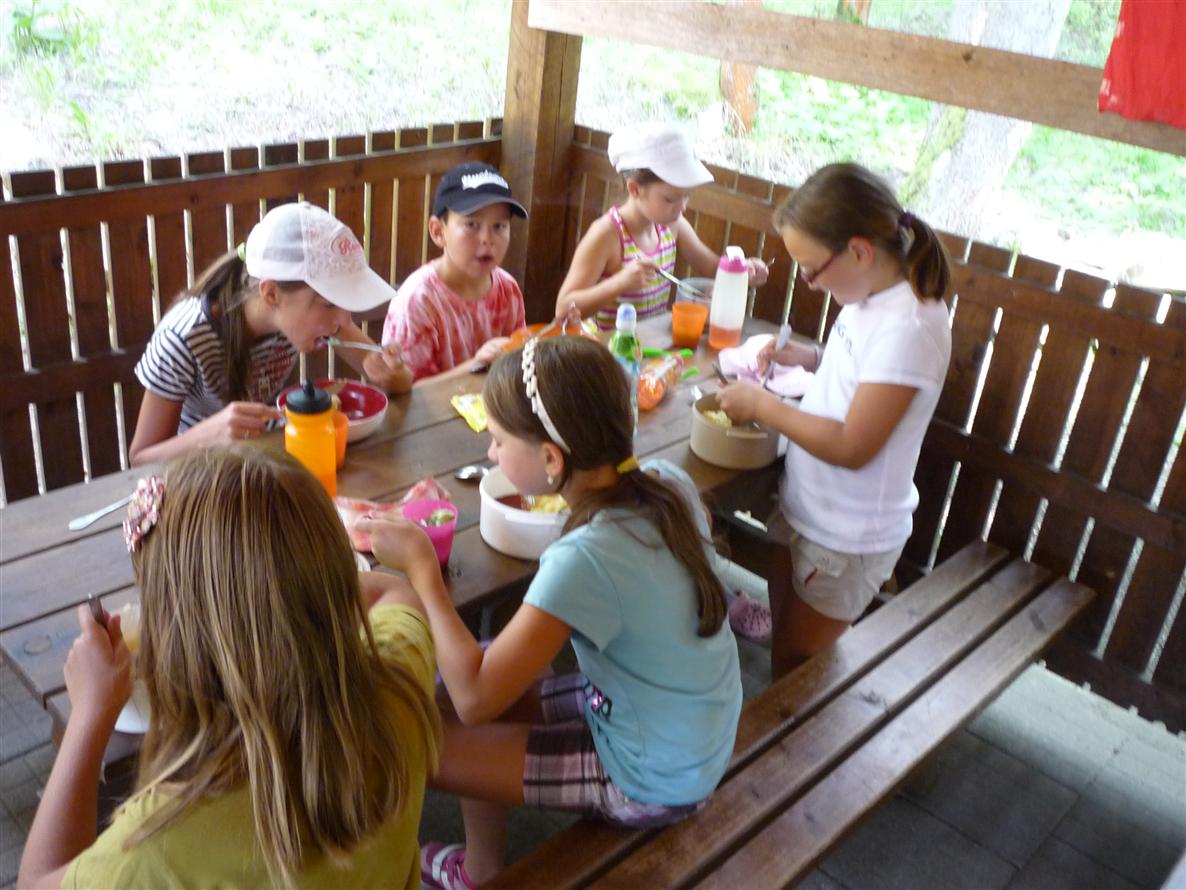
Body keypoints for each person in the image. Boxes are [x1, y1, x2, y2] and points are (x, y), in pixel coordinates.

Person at [357, 335, 743, 889]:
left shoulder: (586, 557)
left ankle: (471, 874)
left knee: (412, 734)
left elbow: (474, 700)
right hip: (686, 727)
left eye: (497, 440)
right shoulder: (668, 484)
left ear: (550, 459)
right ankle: (481, 868)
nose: (492, 454)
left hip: (653, 775)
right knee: (477, 671)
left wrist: (422, 568)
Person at [17, 447, 441, 888]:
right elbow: (395, 594)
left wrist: (88, 715)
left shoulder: (158, 844)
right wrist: (306, 587)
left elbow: (35, 883)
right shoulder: (401, 683)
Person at [718, 162, 952, 679]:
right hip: (808, 507)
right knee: (786, 640)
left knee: (797, 670)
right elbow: (863, 375)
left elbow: (852, 445)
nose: (808, 283)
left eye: (811, 269)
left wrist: (763, 406)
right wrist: (809, 358)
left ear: (859, 251)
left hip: (844, 538)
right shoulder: (872, 293)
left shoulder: (911, 326)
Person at [128, 201, 411, 466]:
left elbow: (400, 383)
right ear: (271, 294)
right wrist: (210, 435)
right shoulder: (182, 338)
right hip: (205, 474)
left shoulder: (310, 318)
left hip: (269, 460)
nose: (344, 320)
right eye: (328, 303)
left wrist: (391, 374)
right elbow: (140, 459)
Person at [555, 122, 768, 330]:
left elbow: (713, 267)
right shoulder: (607, 235)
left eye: (687, 196)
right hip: (606, 349)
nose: (682, 207)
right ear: (635, 189)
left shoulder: (672, 226)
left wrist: (743, 271)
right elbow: (563, 309)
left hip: (650, 346)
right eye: (670, 199)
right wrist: (619, 284)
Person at [382, 162, 528, 382]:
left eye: (499, 226)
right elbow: (407, 392)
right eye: (472, 224)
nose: (487, 239)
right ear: (438, 232)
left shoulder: (508, 288)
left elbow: (518, 360)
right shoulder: (418, 300)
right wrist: (476, 364)